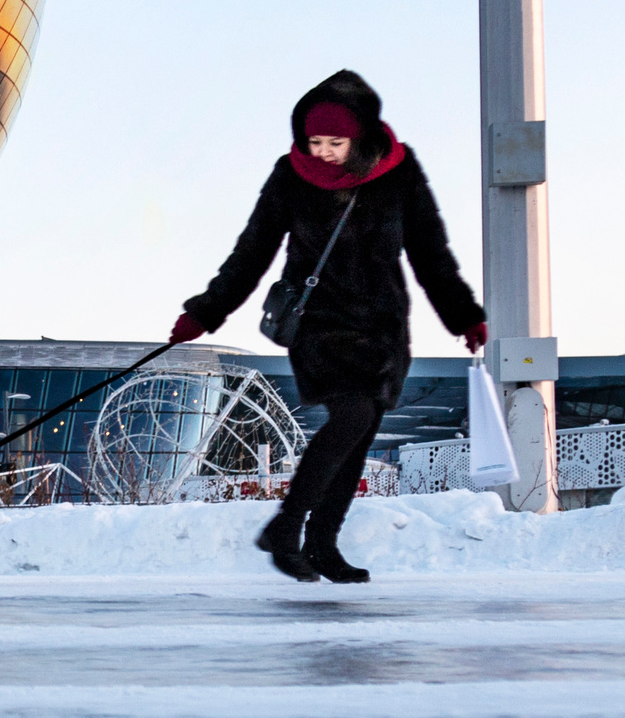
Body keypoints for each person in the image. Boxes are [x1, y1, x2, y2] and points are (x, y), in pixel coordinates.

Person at [171, 70, 485, 584]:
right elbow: (252, 251)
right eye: (314, 142)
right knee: (351, 414)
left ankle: (322, 545)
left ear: (359, 137)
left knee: (359, 435)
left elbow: (431, 252)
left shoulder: (400, 173)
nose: (323, 154)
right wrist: (206, 311)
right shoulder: (290, 175)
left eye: (335, 143)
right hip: (318, 323)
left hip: (381, 326)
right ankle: (287, 526)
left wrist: (463, 314)